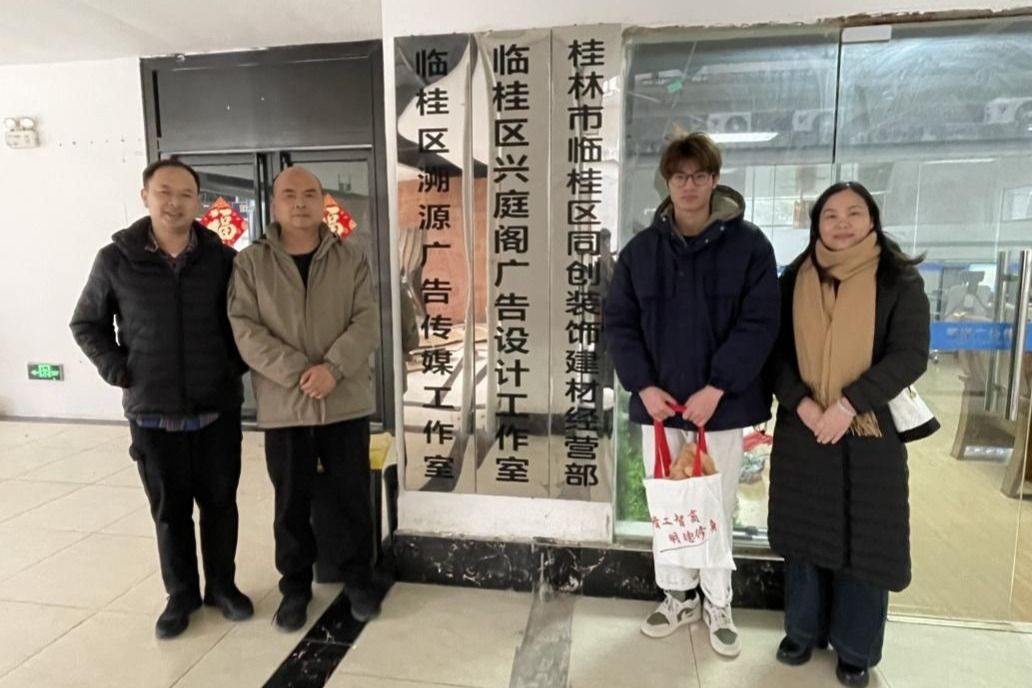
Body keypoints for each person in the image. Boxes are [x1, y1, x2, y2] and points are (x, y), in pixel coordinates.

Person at [604, 133, 779, 657]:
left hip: (719, 408)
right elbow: (620, 323)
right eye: (679, 176)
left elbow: (759, 323)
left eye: (699, 175)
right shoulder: (641, 252)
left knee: (714, 504)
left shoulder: (749, 246)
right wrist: (643, 384)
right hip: (660, 409)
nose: (689, 186)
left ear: (715, 180)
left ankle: (718, 601)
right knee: (669, 504)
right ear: (667, 182)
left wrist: (718, 386)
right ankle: (677, 596)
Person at [70, 159, 253, 639]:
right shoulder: (115, 260)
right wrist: (117, 368)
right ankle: (181, 596)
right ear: (145, 197)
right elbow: (86, 323)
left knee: (220, 505)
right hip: (152, 413)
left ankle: (223, 587)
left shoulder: (222, 259)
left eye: (186, 194)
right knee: (170, 512)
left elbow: (245, 323)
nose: (175, 203)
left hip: (216, 409)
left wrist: (232, 366)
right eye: (164, 192)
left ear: (198, 201)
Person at [767, 181, 929, 687]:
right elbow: (773, 354)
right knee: (804, 534)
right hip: (804, 429)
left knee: (867, 539)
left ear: (872, 220)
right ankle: (802, 631)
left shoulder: (899, 281)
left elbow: (909, 355)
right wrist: (803, 404)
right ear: (816, 223)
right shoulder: (793, 279)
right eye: (830, 215)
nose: (842, 223)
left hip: (869, 430)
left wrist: (848, 404)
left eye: (853, 213)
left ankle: (856, 649)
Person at [228, 166, 381, 631]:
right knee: (290, 502)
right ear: (274, 204)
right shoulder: (251, 263)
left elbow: (367, 319)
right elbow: (245, 330)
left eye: (310, 194)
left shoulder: (350, 256)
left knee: (352, 495)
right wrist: (300, 373)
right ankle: (294, 587)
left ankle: (358, 579)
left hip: (344, 400)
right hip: (285, 406)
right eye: (289, 194)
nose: (300, 202)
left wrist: (333, 369)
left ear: (322, 201)